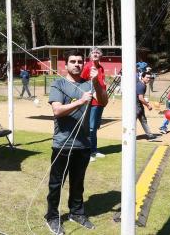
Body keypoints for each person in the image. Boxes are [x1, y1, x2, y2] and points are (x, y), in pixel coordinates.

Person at [45, 50, 108, 234]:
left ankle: (76, 213)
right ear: (66, 65)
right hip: (63, 143)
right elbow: (57, 111)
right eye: (73, 61)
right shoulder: (58, 84)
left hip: (83, 144)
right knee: (56, 183)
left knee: (78, 182)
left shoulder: (89, 84)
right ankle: (52, 217)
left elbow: (103, 101)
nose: (77, 64)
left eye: (80, 61)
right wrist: (80, 101)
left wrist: (96, 82)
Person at [80, 47, 107, 162]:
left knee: (94, 127)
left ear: (100, 55)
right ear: (90, 55)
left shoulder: (101, 68)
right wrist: (91, 93)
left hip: (100, 101)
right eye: (93, 53)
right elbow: (81, 82)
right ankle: (87, 152)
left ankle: (94, 150)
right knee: (89, 127)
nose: (95, 54)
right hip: (92, 101)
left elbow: (101, 82)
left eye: (97, 53)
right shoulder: (87, 66)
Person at [136, 72, 159, 141]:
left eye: (150, 77)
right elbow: (140, 98)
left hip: (139, 106)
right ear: (142, 77)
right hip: (136, 107)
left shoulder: (143, 85)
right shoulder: (141, 85)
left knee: (143, 120)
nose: (148, 79)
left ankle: (150, 136)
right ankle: (129, 136)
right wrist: (148, 105)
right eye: (147, 77)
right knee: (133, 122)